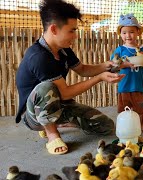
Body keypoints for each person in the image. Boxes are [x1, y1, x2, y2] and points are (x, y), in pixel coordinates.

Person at [15, 0, 125, 155]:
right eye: (71, 31)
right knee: (47, 88)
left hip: (58, 105)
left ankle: (56, 122)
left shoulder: (63, 50)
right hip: (32, 114)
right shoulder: (39, 56)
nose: (75, 35)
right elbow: (65, 93)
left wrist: (107, 65)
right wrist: (99, 78)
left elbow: (83, 69)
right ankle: (51, 133)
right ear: (54, 29)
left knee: (105, 126)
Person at [110, 13, 143, 132]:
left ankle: (140, 124)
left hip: (138, 85)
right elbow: (112, 66)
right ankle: (123, 126)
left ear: (138, 32)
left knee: (139, 107)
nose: (128, 35)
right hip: (124, 85)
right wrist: (124, 64)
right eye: (124, 32)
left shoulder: (142, 50)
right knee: (124, 108)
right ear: (120, 34)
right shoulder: (120, 50)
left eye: (131, 32)